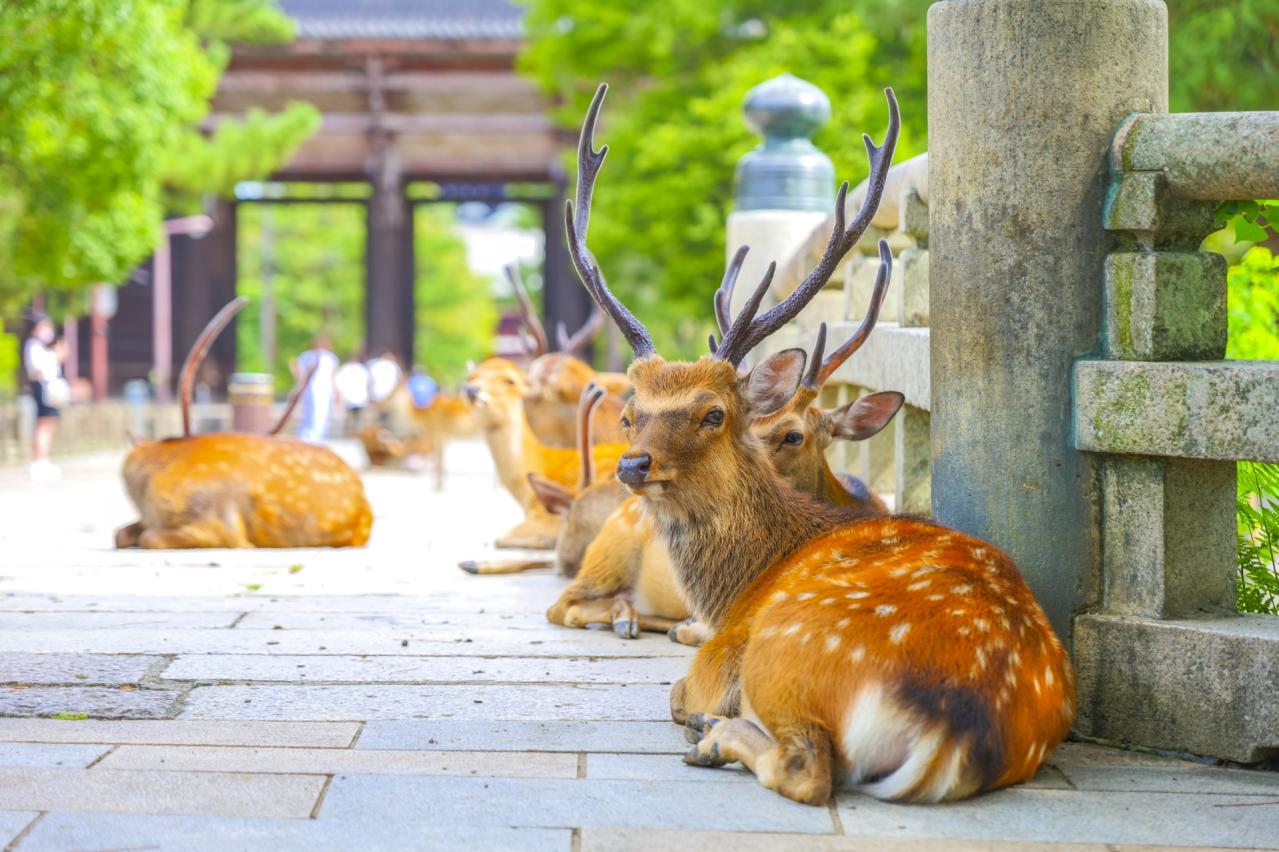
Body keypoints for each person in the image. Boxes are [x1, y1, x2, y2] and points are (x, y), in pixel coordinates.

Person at [24, 313, 67, 481]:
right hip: (42, 386)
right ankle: (39, 460)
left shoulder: (43, 347)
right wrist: (56, 356)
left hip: (50, 387)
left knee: (48, 424)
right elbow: (38, 369)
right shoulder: (33, 345)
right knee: (43, 424)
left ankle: (44, 458)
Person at [292, 334, 339, 443]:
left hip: (325, 389)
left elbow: (333, 376)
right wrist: (300, 388)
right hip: (311, 389)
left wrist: (336, 392)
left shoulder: (330, 357)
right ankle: (308, 436)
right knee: (311, 413)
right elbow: (301, 374)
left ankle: (320, 437)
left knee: (324, 414)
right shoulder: (307, 356)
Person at [334, 352, 371, 432]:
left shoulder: (346, 368)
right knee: (355, 417)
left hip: (352, 397)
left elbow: (338, 383)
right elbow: (368, 383)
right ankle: (354, 431)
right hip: (355, 397)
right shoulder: (361, 368)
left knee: (351, 417)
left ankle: (350, 432)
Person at [366, 349, 403, 423]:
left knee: (375, 421)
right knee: (388, 421)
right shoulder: (394, 366)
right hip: (389, 396)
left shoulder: (375, 365)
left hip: (376, 396)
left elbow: (369, 381)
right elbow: (399, 380)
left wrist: (370, 394)